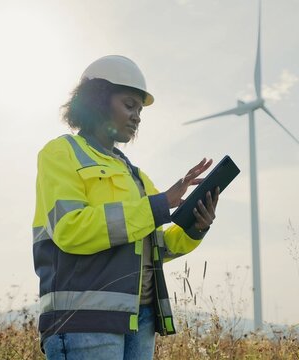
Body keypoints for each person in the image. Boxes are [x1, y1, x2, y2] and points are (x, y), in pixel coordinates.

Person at [32, 55, 220, 359]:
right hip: (83, 323)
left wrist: (195, 227)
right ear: (97, 101)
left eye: (140, 111)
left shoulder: (136, 175)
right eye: (129, 105)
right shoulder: (61, 153)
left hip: (141, 320)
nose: (137, 117)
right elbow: (71, 229)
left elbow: (154, 245)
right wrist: (160, 204)